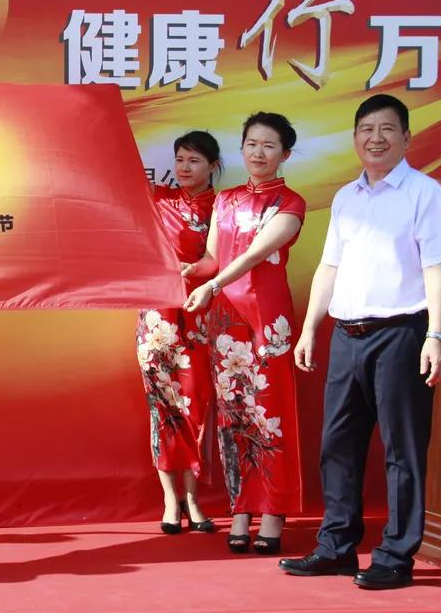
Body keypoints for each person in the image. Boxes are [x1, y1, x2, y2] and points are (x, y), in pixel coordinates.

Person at [280, 94, 441, 589]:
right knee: (337, 444)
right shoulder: (346, 197)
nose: (375, 138)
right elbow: (329, 266)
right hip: (347, 334)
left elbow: (436, 266)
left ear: (406, 137)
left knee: (402, 449)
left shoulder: (424, 193)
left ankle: (396, 556)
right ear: (355, 138)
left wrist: (436, 335)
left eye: (386, 129)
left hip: (401, 334)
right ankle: (336, 546)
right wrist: (310, 328)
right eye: (366, 129)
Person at [184, 112, 305, 555]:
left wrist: (212, 285)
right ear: (241, 149)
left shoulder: (291, 203)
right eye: (252, 144)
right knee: (233, 415)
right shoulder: (227, 200)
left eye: (269, 146)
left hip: (267, 321)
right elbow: (212, 260)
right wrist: (185, 271)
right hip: (226, 323)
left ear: (284, 154)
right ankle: (240, 509)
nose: (258, 152)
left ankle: (273, 511)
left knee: (270, 414)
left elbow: (255, 255)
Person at [137, 131, 220, 535]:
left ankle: (193, 497)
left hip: (201, 316)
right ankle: (171, 500)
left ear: (213, 166)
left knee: (196, 407)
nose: (185, 168)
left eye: (194, 160)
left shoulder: (224, 206)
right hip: (157, 319)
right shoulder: (158, 199)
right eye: (180, 159)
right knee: (163, 410)